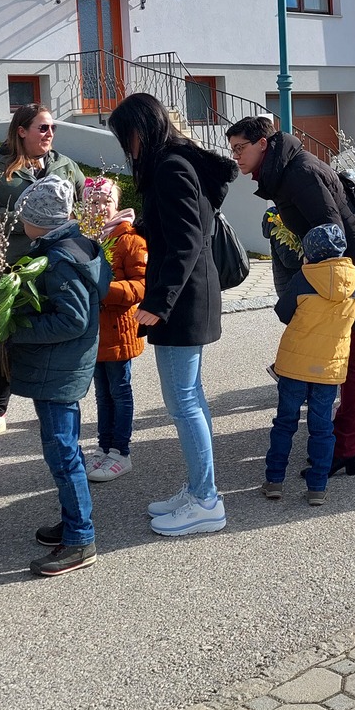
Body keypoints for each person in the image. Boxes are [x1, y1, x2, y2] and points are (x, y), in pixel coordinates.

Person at [227, 116, 355, 478]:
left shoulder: (299, 172)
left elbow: (331, 230)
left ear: (262, 144)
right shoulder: (286, 170)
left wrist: (321, 279)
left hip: (351, 271)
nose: (236, 156)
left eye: (240, 148)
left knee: (354, 360)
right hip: (345, 268)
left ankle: (345, 447)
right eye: (233, 150)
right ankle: (345, 444)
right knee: (349, 358)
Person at [111, 95, 236, 535]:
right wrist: (136, 225)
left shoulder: (171, 167)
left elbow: (186, 243)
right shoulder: (176, 163)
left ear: (139, 130)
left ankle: (206, 501)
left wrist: (157, 304)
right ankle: (201, 490)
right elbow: (178, 229)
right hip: (188, 296)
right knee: (189, 398)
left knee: (183, 402)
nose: (126, 147)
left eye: (125, 136)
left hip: (184, 300)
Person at [0, 104, 85, 443]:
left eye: (52, 128)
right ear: (21, 131)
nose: (50, 134)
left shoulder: (65, 165)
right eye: (42, 128)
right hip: (11, 265)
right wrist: (27, 223)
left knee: (54, 330)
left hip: (56, 264)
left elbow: (83, 200)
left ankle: (56, 401)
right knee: (2, 337)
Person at [9, 176, 110, 575]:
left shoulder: (58, 259)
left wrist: (16, 329)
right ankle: (73, 521)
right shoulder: (77, 245)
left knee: (62, 452)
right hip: (64, 365)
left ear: (42, 221)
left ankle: (81, 539)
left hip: (58, 368)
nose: (22, 224)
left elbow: (72, 319)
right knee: (65, 448)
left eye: (26, 218)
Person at [263, 224, 355, 504]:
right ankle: (317, 486)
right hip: (329, 367)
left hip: (294, 364)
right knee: (322, 427)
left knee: (285, 422)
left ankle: (274, 480)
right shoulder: (354, 281)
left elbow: (283, 312)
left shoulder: (304, 276)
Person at [82, 177, 147, 483]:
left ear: (117, 205)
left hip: (118, 331)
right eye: (93, 202)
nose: (100, 207)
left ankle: (121, 451)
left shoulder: (129, 239)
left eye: (106, 201)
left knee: (119, 391)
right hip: (94, 333)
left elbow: (140, 286)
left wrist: (103, 289)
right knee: (101, 393)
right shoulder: (84, 238)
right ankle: (103, 446)